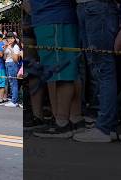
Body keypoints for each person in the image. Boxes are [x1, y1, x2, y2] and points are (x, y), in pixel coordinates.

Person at [29, 0, 84, 138]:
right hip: (52, 17)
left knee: (62, 72)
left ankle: (62, 123)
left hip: (54, 17)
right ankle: (74, 119)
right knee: (68, 71)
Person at [73, 0, 119, 142]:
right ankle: (107, 126)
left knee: (103, 69)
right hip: (91, 7)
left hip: (97, 7)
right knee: (98, 69)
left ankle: (104, 128)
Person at [3, 32, 21, 108]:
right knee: (11, 82)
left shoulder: (16, 46)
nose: (10, 39)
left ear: (14, 38)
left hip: (12, 64)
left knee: (14, 83)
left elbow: (16, 60)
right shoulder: (8, 46)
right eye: (8, 38)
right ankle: (13, 99)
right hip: (7, 63)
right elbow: (4, 58)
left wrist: (11, 49)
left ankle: (14, 101)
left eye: (11, 38)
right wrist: (5, 49)